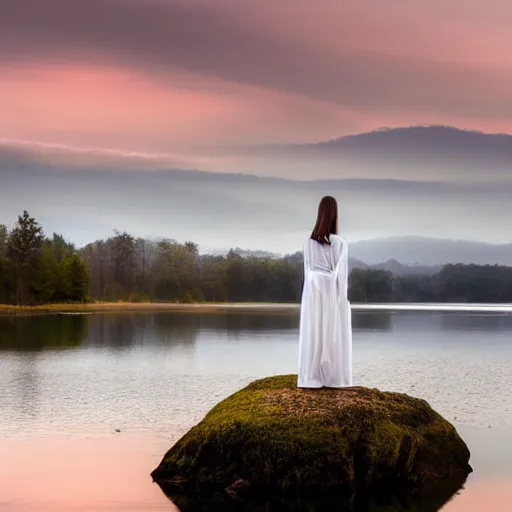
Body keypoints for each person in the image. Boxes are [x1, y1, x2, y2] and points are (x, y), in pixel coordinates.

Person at [298, 196, 353, 388]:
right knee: (332, 332)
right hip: (330, 288)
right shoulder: (339, 242)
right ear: (334, 215)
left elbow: (307, 272)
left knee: (314, 331)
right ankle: (332, 376)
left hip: (312, 290)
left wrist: (308, 296)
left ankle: (312, 376)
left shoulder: (308, 243)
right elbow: (342, 274)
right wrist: (342, 299)